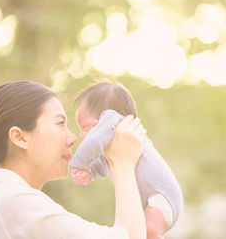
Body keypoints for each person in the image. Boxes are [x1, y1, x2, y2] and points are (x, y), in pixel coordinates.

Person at [0, 80, 147, 239]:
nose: (72, 138)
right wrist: (123, 164)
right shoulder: (13, 201)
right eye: (60, 123)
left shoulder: (8, 200)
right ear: (20, 137)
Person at [70, 81, 183, 239]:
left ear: (103, 117)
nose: (81, 135)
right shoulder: (114, 144)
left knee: (149, 230)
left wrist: (79, 163)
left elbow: (93, 141)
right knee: (139, 230)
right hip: (149, 200)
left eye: (84, 127)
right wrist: (89, 171)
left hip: (162, 196)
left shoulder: (112, 120)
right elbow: (102, 165)